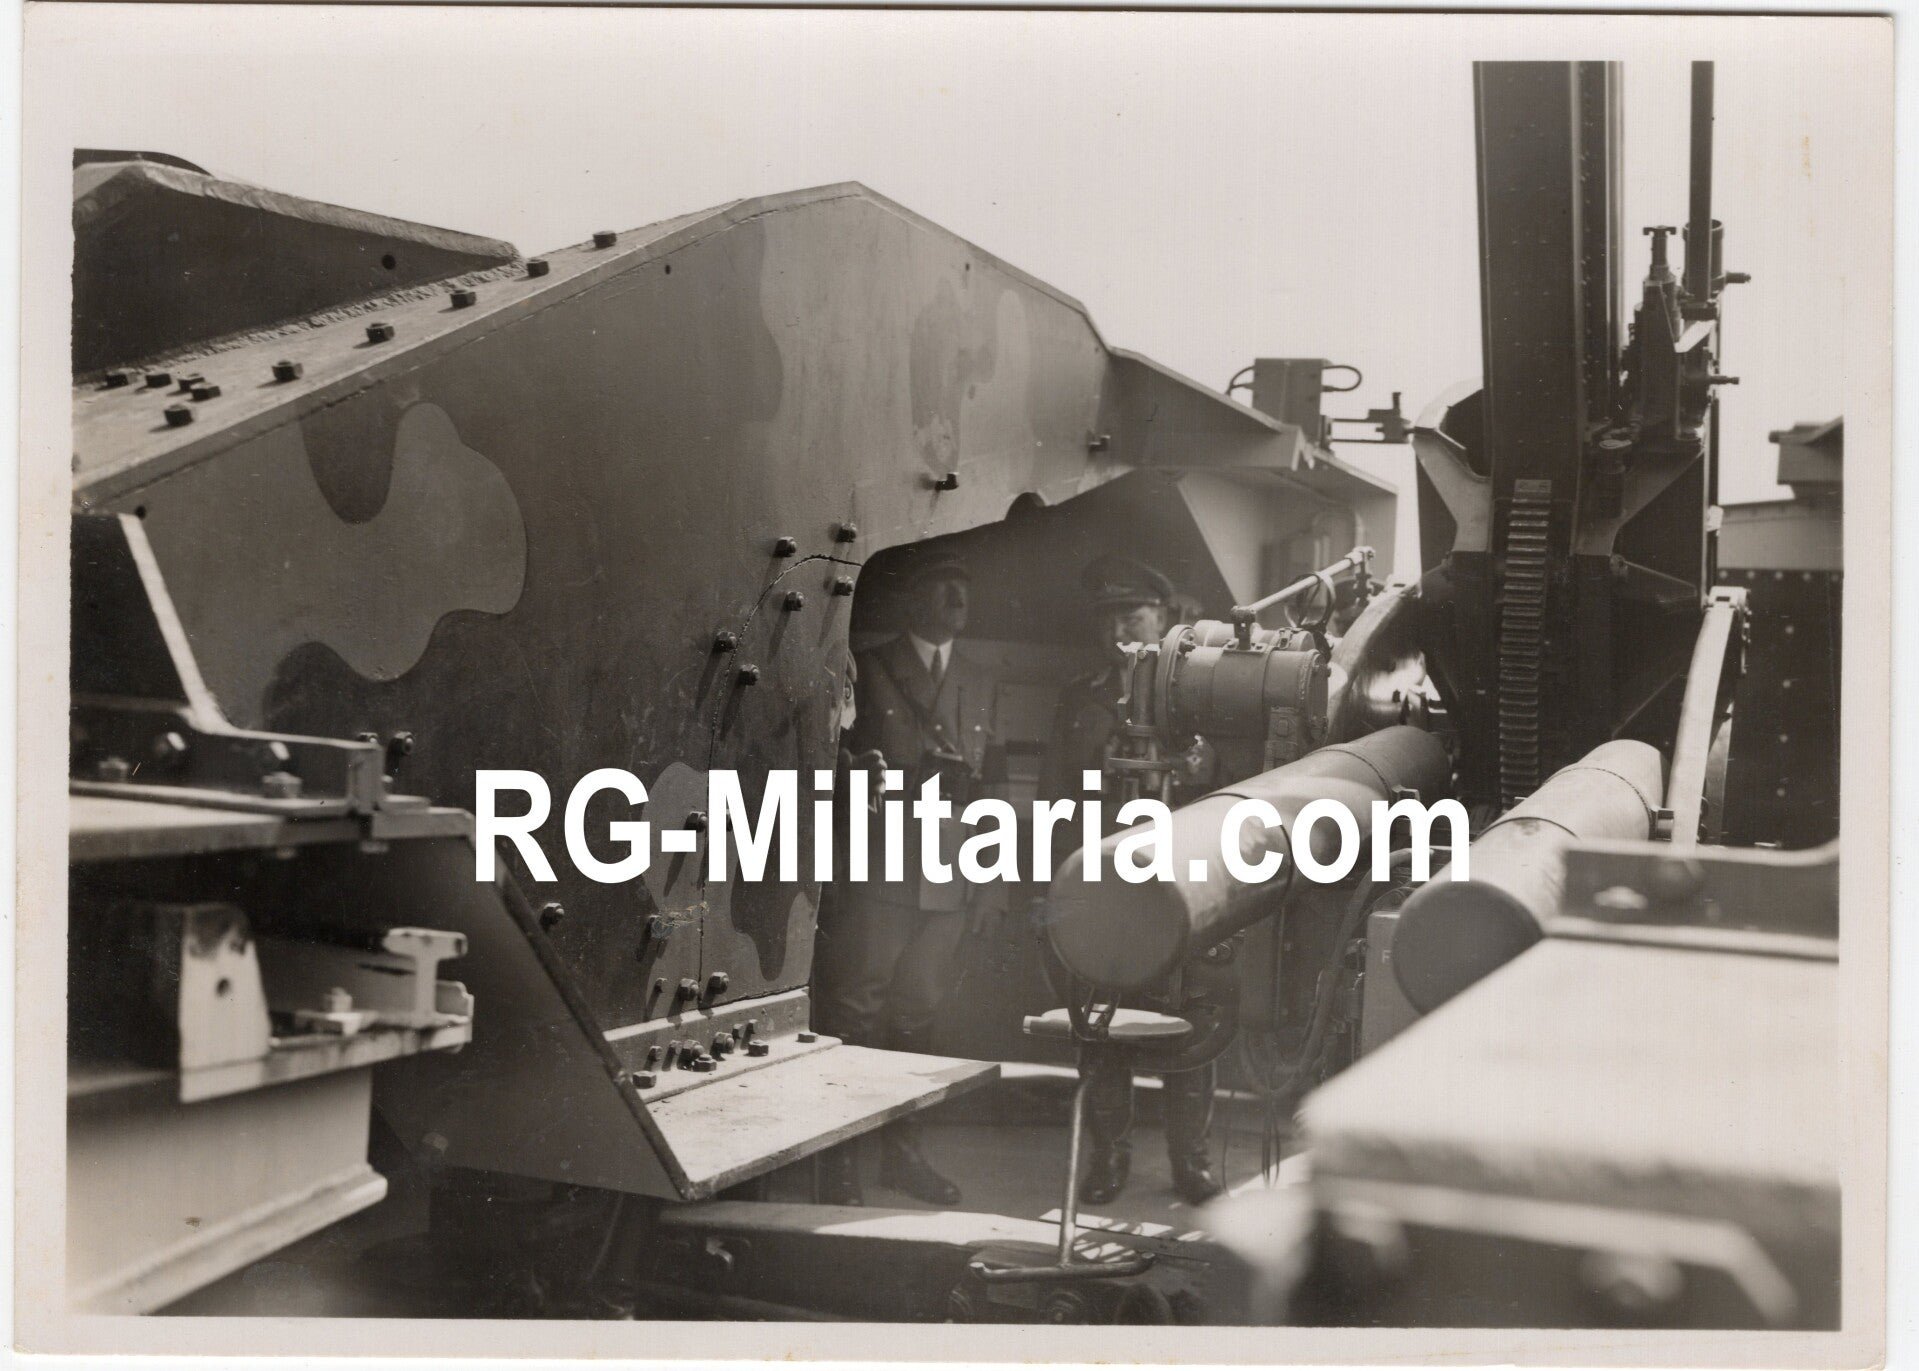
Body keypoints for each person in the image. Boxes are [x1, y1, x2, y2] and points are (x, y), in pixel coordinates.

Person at [812, 551, 1008, 1206]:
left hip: (950, 873)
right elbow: (830, 754)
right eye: (941, 586)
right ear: (910, 600)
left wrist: (993, 879)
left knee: (919, 1011)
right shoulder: (868, 668)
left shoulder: (980, 679)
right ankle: (836, 1158)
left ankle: (902, 1152)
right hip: (881, 862)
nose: (957, 597)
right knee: (855, 1007)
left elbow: (996, 789)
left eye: (964, 586)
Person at [1039, 553, 1225, 1208]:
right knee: (1102, 1026)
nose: (1120, 627)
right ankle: (1108, 1157)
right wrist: (1050, 892)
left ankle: (1191, 1162)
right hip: (1102, 894)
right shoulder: (1081, 698)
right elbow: (1055, 803)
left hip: (1187, 890)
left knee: (1190, 1027)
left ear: (1164, 618)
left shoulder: (1206, 694)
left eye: (1134, 613)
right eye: (1109, 616)